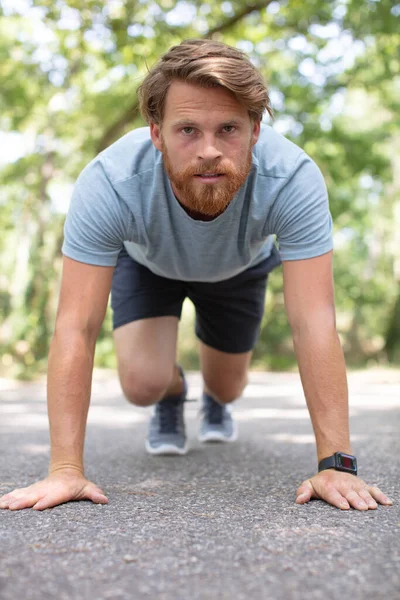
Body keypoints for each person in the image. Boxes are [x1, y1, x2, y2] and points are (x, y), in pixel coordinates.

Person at [0, 39, 392, 513]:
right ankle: (174, 391)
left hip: (238, 269)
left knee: (228, 386)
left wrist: (337, 464)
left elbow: (314, 321)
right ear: (156, 133)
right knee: (142, 384)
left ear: (254, 131)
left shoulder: (292, 179)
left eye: (228, 128)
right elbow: (75, 327)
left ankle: (213, 399)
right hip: (149, 265)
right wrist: (64, 469)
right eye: (187, 129)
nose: (208, 149)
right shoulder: (109, 183)